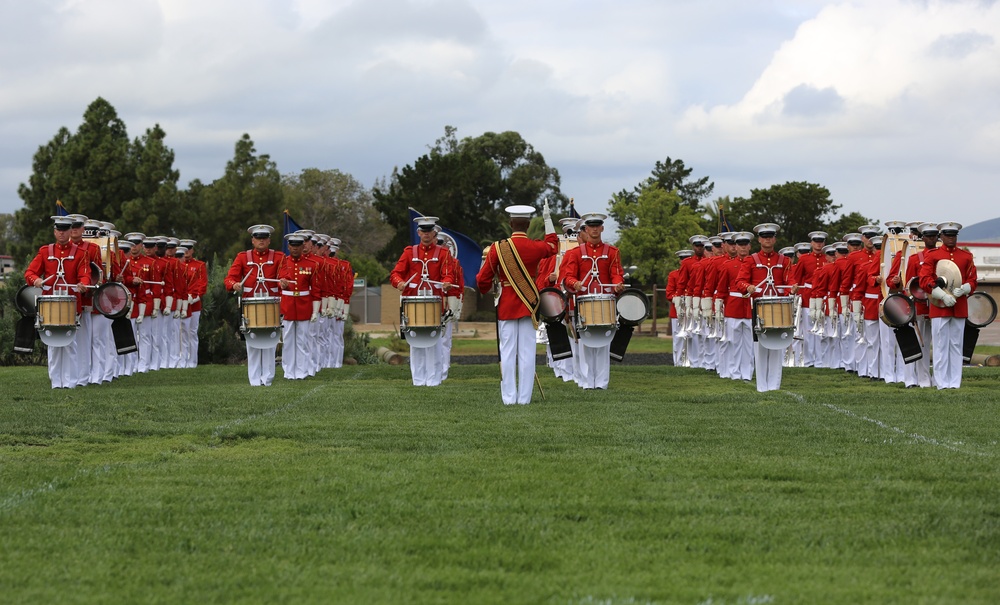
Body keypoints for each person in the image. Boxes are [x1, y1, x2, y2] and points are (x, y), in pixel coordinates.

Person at [476, 204, 558, 403]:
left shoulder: (497, 248)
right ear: (528, 225)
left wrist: (487, 287)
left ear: (510, 224)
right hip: (530, 304)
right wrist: (548, 220)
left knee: (507, 352)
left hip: (507, 305)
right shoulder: (536, 247)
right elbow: (553, 246)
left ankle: (509, 398)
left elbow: (482, 279)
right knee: (527, 353)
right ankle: (524, 398)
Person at [559, 212, 625, 390]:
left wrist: (618, 284)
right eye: (591, 227)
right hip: (583, 302)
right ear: (585, 229)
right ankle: (587, 382)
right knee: (585, 343)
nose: (594, 229)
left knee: (604, 342)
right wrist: (574, 283)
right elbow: (568, 276)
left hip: (605, 302)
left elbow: (616, 274)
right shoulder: (575, 253)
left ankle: (601, 383)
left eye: (597, 226)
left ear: (602, 228)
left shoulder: (612, 252)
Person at [24, 215, 92, 388]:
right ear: (54, 232)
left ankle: (70, 382)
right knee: (52, 343)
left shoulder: (81, 253)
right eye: (58, 230)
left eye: (65, 230)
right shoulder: (45, 251)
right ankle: (55, 381)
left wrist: (83, 285)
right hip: (49, 303)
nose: (61, 233)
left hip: (71, 303)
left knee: (70, 342)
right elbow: (29, 273)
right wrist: (36, 280)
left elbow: (85, 275)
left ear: (70, 231)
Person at [390, 216, 456, 387]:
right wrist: (399, 283)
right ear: (418, 233)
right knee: (416, 341)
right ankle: (418, 380)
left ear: (434, 233)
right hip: (412, 302)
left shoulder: (443, 253)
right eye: (423, 231)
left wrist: (447, 282)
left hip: (434, 302)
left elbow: (448, 274)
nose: (426, 234)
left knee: (434, 342)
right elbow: (395, 274)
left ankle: (433, 380)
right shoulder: (409, 252)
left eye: (429, 231)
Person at [919, 221, 978, 389]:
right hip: (939, 306)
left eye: (954, 235)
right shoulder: (933, 255)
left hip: (959, 305)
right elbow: (924, 280)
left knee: (956, 345)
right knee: (940, 345)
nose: (951, 238)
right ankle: (941, 382)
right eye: (948, 235)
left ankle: (954, 382)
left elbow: (973, 279)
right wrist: (941, 294)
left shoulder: (966, 256)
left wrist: (966, 288)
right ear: (942, 236)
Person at [736, 222, 793, 392]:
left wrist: (792, 288)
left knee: (777, 345)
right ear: (759, 239)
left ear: (774, 239)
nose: (767, 240)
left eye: (770, 237)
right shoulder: (751, 260)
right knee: (760, 346)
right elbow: (739, 281)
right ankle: (762, 386)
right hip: (759, 308)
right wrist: (747, 287)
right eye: (764, 237)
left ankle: (774, 386)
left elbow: (790, 281)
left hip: (779, 308)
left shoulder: (784, 260)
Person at [224, 224, 284, 386]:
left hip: (271, 305)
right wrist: (234, 284)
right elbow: (229, 279)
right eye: (258, 238)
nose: (261, 240)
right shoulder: (243, 257)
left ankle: (267, 379)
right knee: (253, 342)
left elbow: (283, 277)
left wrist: (283, 282)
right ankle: (255, 380)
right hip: (250, 305)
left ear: (269, 240)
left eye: (264, 238)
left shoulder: (278, 257)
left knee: (270, 342)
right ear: (252, 240)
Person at [277, 231, 322, 380]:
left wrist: (315, 311)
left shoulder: (312, 265)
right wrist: (282, 284)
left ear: (303, 246)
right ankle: (289, 372)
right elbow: (279, 281)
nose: (295, 248)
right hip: (288, 305)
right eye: (292, 245)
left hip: (304, 305)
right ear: (288, 247)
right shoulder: (283, 263)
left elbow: (316, 289)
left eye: (298, 245)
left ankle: (302, 371)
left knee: (303, 340)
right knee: (288, 340)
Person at [713, 231, 754, 381]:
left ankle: (747, 373)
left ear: (749, 246)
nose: (742, 247)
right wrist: (719, 307)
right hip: (733, 307)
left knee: (749, 344)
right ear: (735, 247)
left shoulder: (755, 264)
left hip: (750, 307)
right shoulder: (728, 265)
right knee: (733, 343)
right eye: (739, 245)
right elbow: (722, 289)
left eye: (745, 244)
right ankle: (734, 372)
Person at [180, 239, 208, 368]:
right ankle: (182, 360)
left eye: (189, 249)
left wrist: (194, 298)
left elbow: (202, 284)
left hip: (194, 304)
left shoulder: (199, 265)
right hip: (180, 303)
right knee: (181, 332)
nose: (186, 251)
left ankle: (192, 361)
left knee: (192, 332)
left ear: (192, 250)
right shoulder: (177, 264)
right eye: (184, 249)